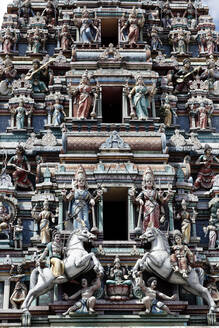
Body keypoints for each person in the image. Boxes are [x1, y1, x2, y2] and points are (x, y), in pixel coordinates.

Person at [134, 166, 172, 231]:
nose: (149, 182)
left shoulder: (155, 192)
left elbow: (163, 201)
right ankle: (146, 231)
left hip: (155, 207)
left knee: (155, 220)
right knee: (146, 219)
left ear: (153, 182)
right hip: (147, 207)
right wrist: (139, 200)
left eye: (150, 181)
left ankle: (155, 231)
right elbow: (136, 199)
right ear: (145, 183)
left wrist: (168, 195)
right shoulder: (143, 192)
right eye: (147, 181)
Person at [62, 166, 95, 230]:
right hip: (76, 206)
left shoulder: (86, 192)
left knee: (86, 219)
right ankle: (78, 231)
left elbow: (91, 198)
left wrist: (92, 200)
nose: (81, 182)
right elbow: (67, 199)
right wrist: (64, 195)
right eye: (80, 180)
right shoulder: (74, 191)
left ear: (85, 182)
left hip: (84, 206)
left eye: (83, 180)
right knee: (78, 218)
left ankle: (86, 230)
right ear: (77, 181)